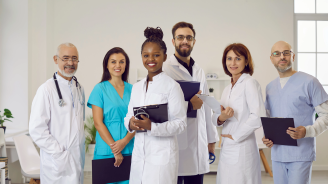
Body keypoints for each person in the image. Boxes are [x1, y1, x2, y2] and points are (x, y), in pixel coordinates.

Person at [124, 27, 187, 184]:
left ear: (165, 57)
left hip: (162, 157)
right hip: (140, 155)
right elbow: (127, 116)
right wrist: (130, 123)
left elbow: (180, 124)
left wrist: (152, 127)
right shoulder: (136, 87)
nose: (150, 59)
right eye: (146, 55)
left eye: (156, 55)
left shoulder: (172, 87)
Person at [262, 41, 328, 184]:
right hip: (277, 154)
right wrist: (266, 137)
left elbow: (326, 115)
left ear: (293, 56)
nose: (282, 57)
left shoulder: (310, 82)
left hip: (301, 153)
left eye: (286, 53)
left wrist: (308, 131)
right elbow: (268, 118)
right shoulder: (270, 87)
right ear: (271, 58)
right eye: (277, 54)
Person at [162, 21, 219, 184]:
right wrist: (189, 105)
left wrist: (211, 139)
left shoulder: (199, 70)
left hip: (199, 142)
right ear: (173, 41)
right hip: (177, 141)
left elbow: (207, 106)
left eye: (189, 37)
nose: (185, 41)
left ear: (194, 41)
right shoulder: (166, 69)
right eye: (180, 37)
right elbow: (162, 108)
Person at [29, 43, 85, 184]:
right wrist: (59, 153)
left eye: (74, 59)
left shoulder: (79, 88)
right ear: (56, 59)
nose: (70, 63)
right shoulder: (46, 90)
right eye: (65, 58)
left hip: (77, 157)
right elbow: (37, 130)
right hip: (57, 161)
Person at [211, 43, 264, 184]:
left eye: (238, 58)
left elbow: (257, 116)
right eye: (229, 59)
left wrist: (235, 136)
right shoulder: (227, 88)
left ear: (246, 61)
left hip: (243, 147)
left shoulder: (250, 83)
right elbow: (216, 116)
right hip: (227, 146)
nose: (233, 63)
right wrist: (221, 118)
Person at [87, 47, 135, 184]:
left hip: (130, 148)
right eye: (113, 62)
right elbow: (98, 122)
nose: (118, 65)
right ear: (107, 65)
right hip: (106, 150)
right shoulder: (99, 89)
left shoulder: (134, 90)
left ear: (126, 65)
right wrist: (115, 149)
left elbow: (137, 121)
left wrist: (124, 142)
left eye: (122, 62)